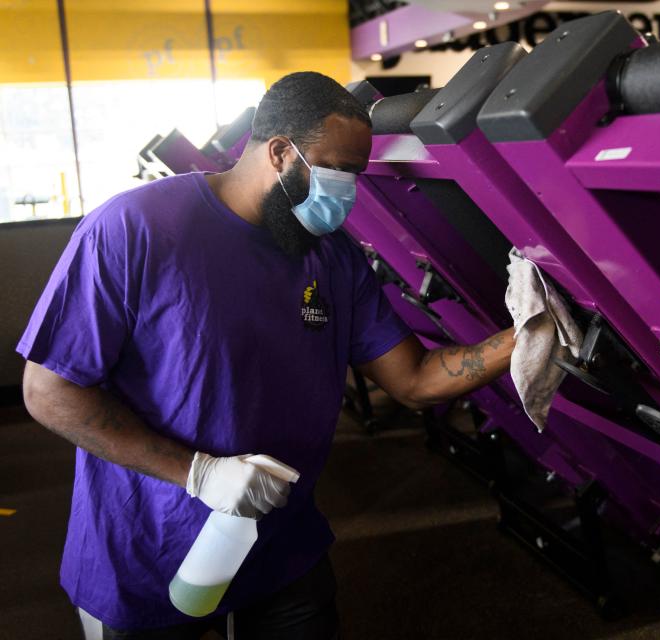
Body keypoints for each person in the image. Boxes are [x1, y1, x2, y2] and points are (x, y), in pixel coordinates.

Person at [18, 71, 516, 639]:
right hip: (148, 548)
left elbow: (414, 380)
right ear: (280, 152)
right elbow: (48, 391)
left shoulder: (332, 258)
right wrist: (198, 474)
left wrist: (525, 337)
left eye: (357, 173)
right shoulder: (135, 228)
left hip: (280, 546)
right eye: (339, 170)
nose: (348, 191)